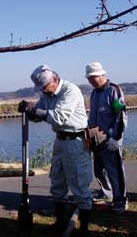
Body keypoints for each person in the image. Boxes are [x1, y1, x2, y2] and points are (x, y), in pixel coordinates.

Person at [18, 65, 92, 236]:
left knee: (80, 185)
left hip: (76, 141)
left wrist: (35, 111)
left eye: (45, 87)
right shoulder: (46, 93)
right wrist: (29, 111)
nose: (43, 91)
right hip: (60, 141)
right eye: (41, 88)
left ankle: (85, 229)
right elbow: (40, 114)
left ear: (55, 80)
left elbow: (59, 116)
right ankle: (59, 222)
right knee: (57, 183)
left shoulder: (70, 90)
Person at [85, 62, 128, 214]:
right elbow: (92, 118)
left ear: (102, 75)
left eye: (93, 77)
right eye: (89, 78)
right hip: (96, 139)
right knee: (98, 171)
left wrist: (116, 138)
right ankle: (108, 194)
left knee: (115, 171)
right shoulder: (94, 93)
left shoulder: (114, 90)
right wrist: (88, 137)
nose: (91, 80)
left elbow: (121, 116)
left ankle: (120, 201)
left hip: (111, 140)